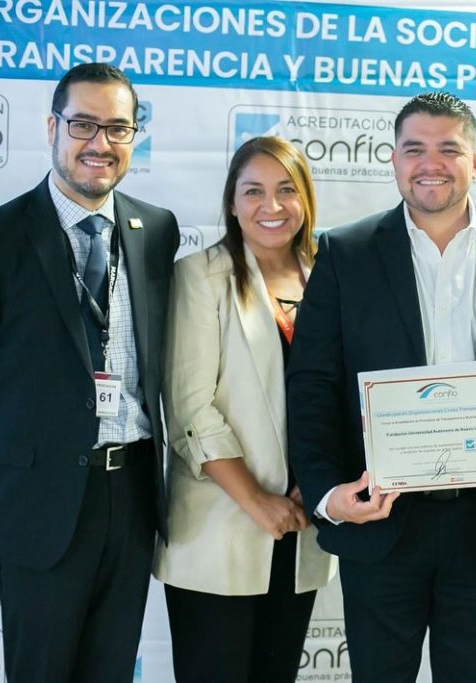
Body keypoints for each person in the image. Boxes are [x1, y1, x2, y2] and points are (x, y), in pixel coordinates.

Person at [286, 91, 476, 682]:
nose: (430, 164)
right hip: (380, 520)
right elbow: (312, 385)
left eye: (449, 149)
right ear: (393, 159)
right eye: (414, 149)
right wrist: (326, 494)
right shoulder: (345, 253)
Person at [0, 63, 179, 682]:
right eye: (83, 125)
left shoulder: (156, 229)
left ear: (134, 136)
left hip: (131, 501)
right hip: (35, 508)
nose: (100, 143)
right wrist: (8, 489)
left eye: (118, 128)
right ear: (52, 128)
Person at [152, 136, 335, 681]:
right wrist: (257, 500)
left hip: (301, 530)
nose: (270, 206)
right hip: (220, 528)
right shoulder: (200, 276)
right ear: (231, 203)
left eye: (286, 190)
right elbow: (190, 409)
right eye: (253, 191)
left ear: (305, 199)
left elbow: (343, 398)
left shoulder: (330, 279)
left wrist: (318, 482)